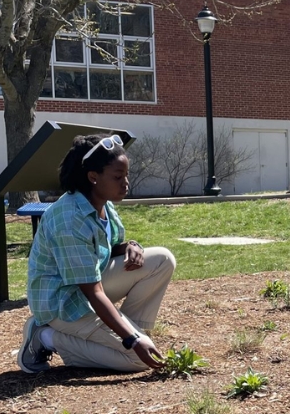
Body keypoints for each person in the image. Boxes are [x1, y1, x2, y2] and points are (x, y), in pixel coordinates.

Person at [18, 134, 175, 374]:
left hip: (87, 285)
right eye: (118, 177)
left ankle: (130, 333)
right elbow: (92, 291)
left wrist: (128, 246)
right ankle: (47, 337)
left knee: (162, 259)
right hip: (62, 304)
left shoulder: (101, 202)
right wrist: (131, 340)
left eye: (126, 175)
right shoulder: (70, 219)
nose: (126, 183)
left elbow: (102, 249)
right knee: (136, 361)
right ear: (93, 177)